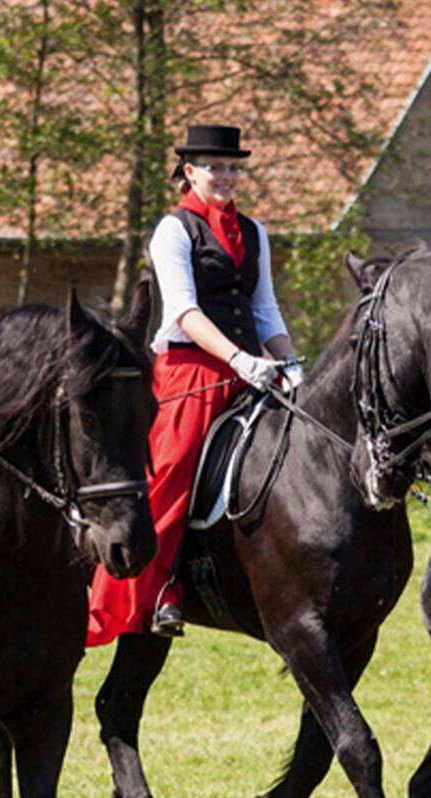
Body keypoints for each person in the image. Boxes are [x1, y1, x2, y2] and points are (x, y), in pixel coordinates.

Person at [85, 124, 300, 645]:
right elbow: (183, 310)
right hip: (190, 373)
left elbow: (264, 309)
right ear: (189, 171)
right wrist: (237, 358)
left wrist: (289, 363)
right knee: (172, 472)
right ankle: (160, 585)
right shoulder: (174, 230)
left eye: (231, 168)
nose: (225, 176)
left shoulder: (254, 233)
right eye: (214, 168)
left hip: (253, 369)